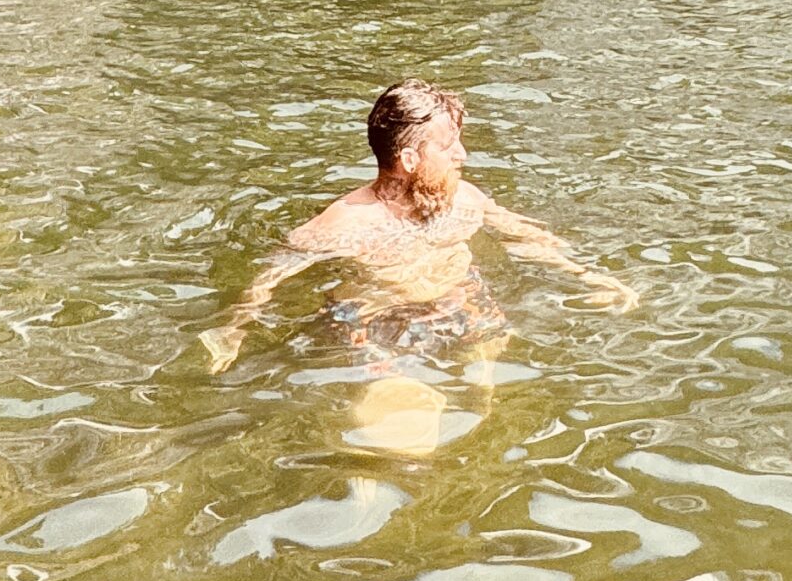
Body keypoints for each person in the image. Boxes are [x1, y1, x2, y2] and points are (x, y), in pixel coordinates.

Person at [200, 78, 634, 375]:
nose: (462, 155)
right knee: (400, 420)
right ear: (410, 160)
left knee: (492, 382)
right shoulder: (348, 222)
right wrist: (232, 329)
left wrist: (589, 276)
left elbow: (526, 235)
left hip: (459, 301)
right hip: (378, 318)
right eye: (448, 146)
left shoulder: (463, 198)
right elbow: (272, 273)